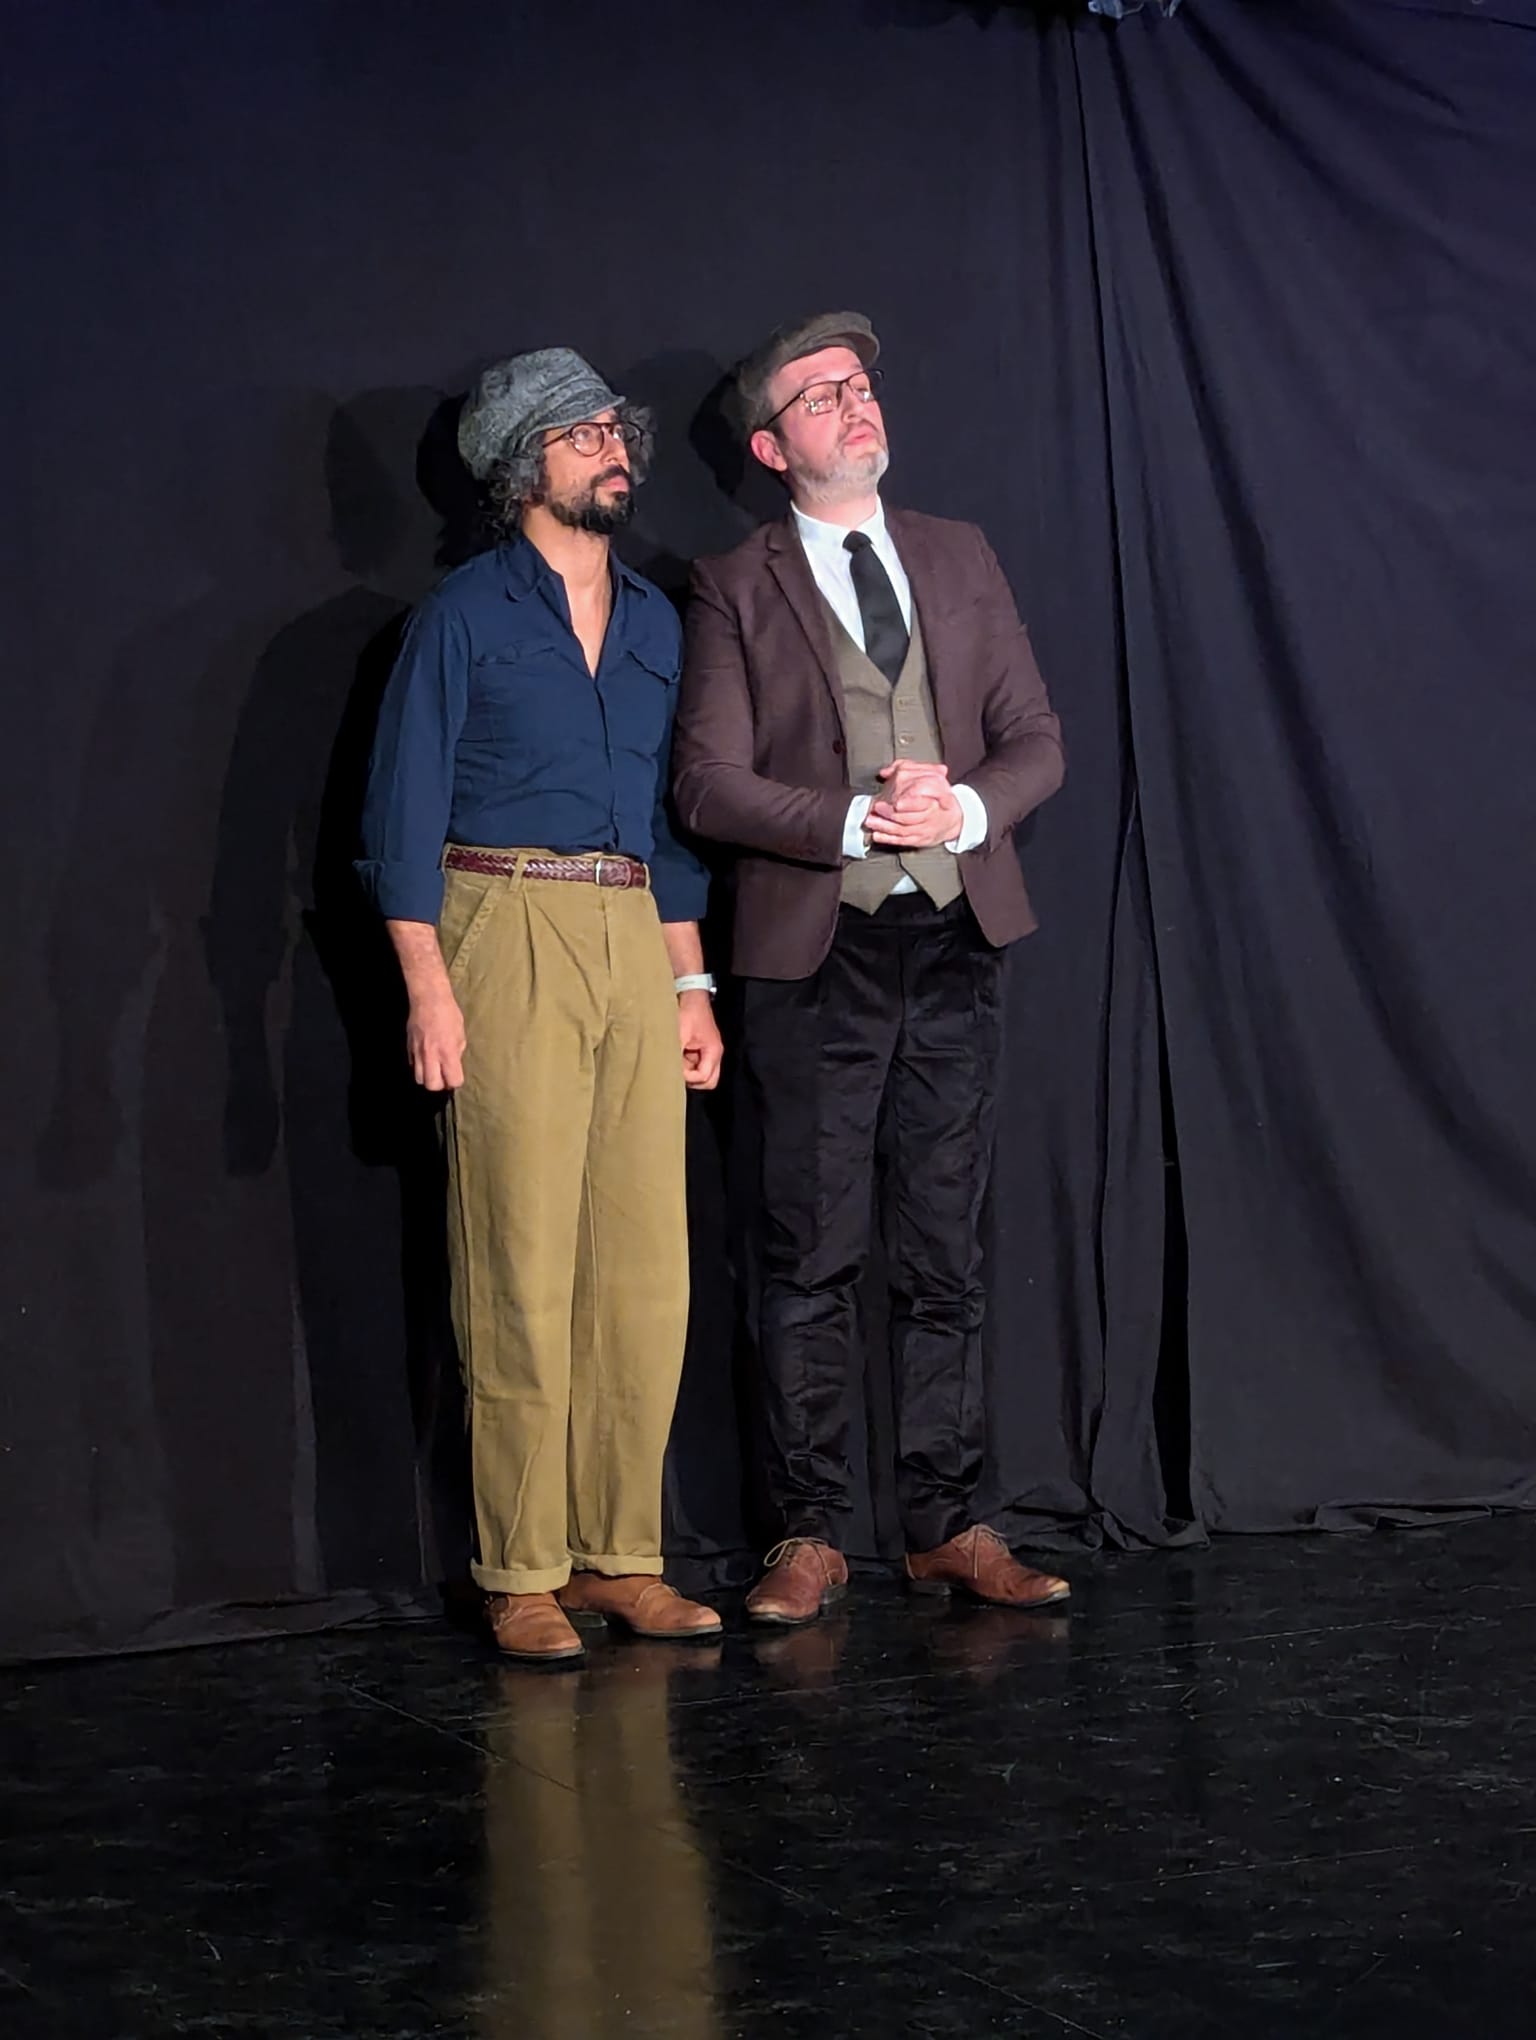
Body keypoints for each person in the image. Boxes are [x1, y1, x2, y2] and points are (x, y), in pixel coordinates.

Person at [673, 312, 1070, 1626]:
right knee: (809, 1251)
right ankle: (808, 1532)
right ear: (770, 445)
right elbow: (707, 783)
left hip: (956, 939)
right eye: (822, 394)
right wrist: (853, 822)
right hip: (816, 953)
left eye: (860, 385)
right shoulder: (735, 584)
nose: (856, 404)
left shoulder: (959, 554)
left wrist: (962, 808)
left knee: (946, 1249)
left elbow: (1035, 738)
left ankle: (947, 1522)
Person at [357, 347, 723, 1663]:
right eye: (581, 436)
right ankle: (521, 1570)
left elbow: (667, 825)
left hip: (630, 929)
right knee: (518, 1261)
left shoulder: (656, 621)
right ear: (523, 465)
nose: (612, 451)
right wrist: (428, 987)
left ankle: (622, 1557)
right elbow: (399, 813)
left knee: (644, 1271)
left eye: (615, 431)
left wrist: (689, 983)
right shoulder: (463, 616)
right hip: (501, 919)